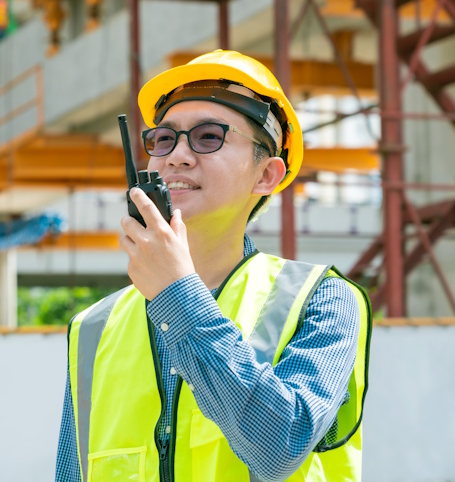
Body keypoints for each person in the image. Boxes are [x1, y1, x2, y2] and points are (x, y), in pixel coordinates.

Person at [55, 50, 371, 482]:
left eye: (208, 137)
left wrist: (177, 295)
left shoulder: (322, 299)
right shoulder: (93, 328)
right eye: (164, 139)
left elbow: (279, 448)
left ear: (266, 176)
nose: (176, 156)